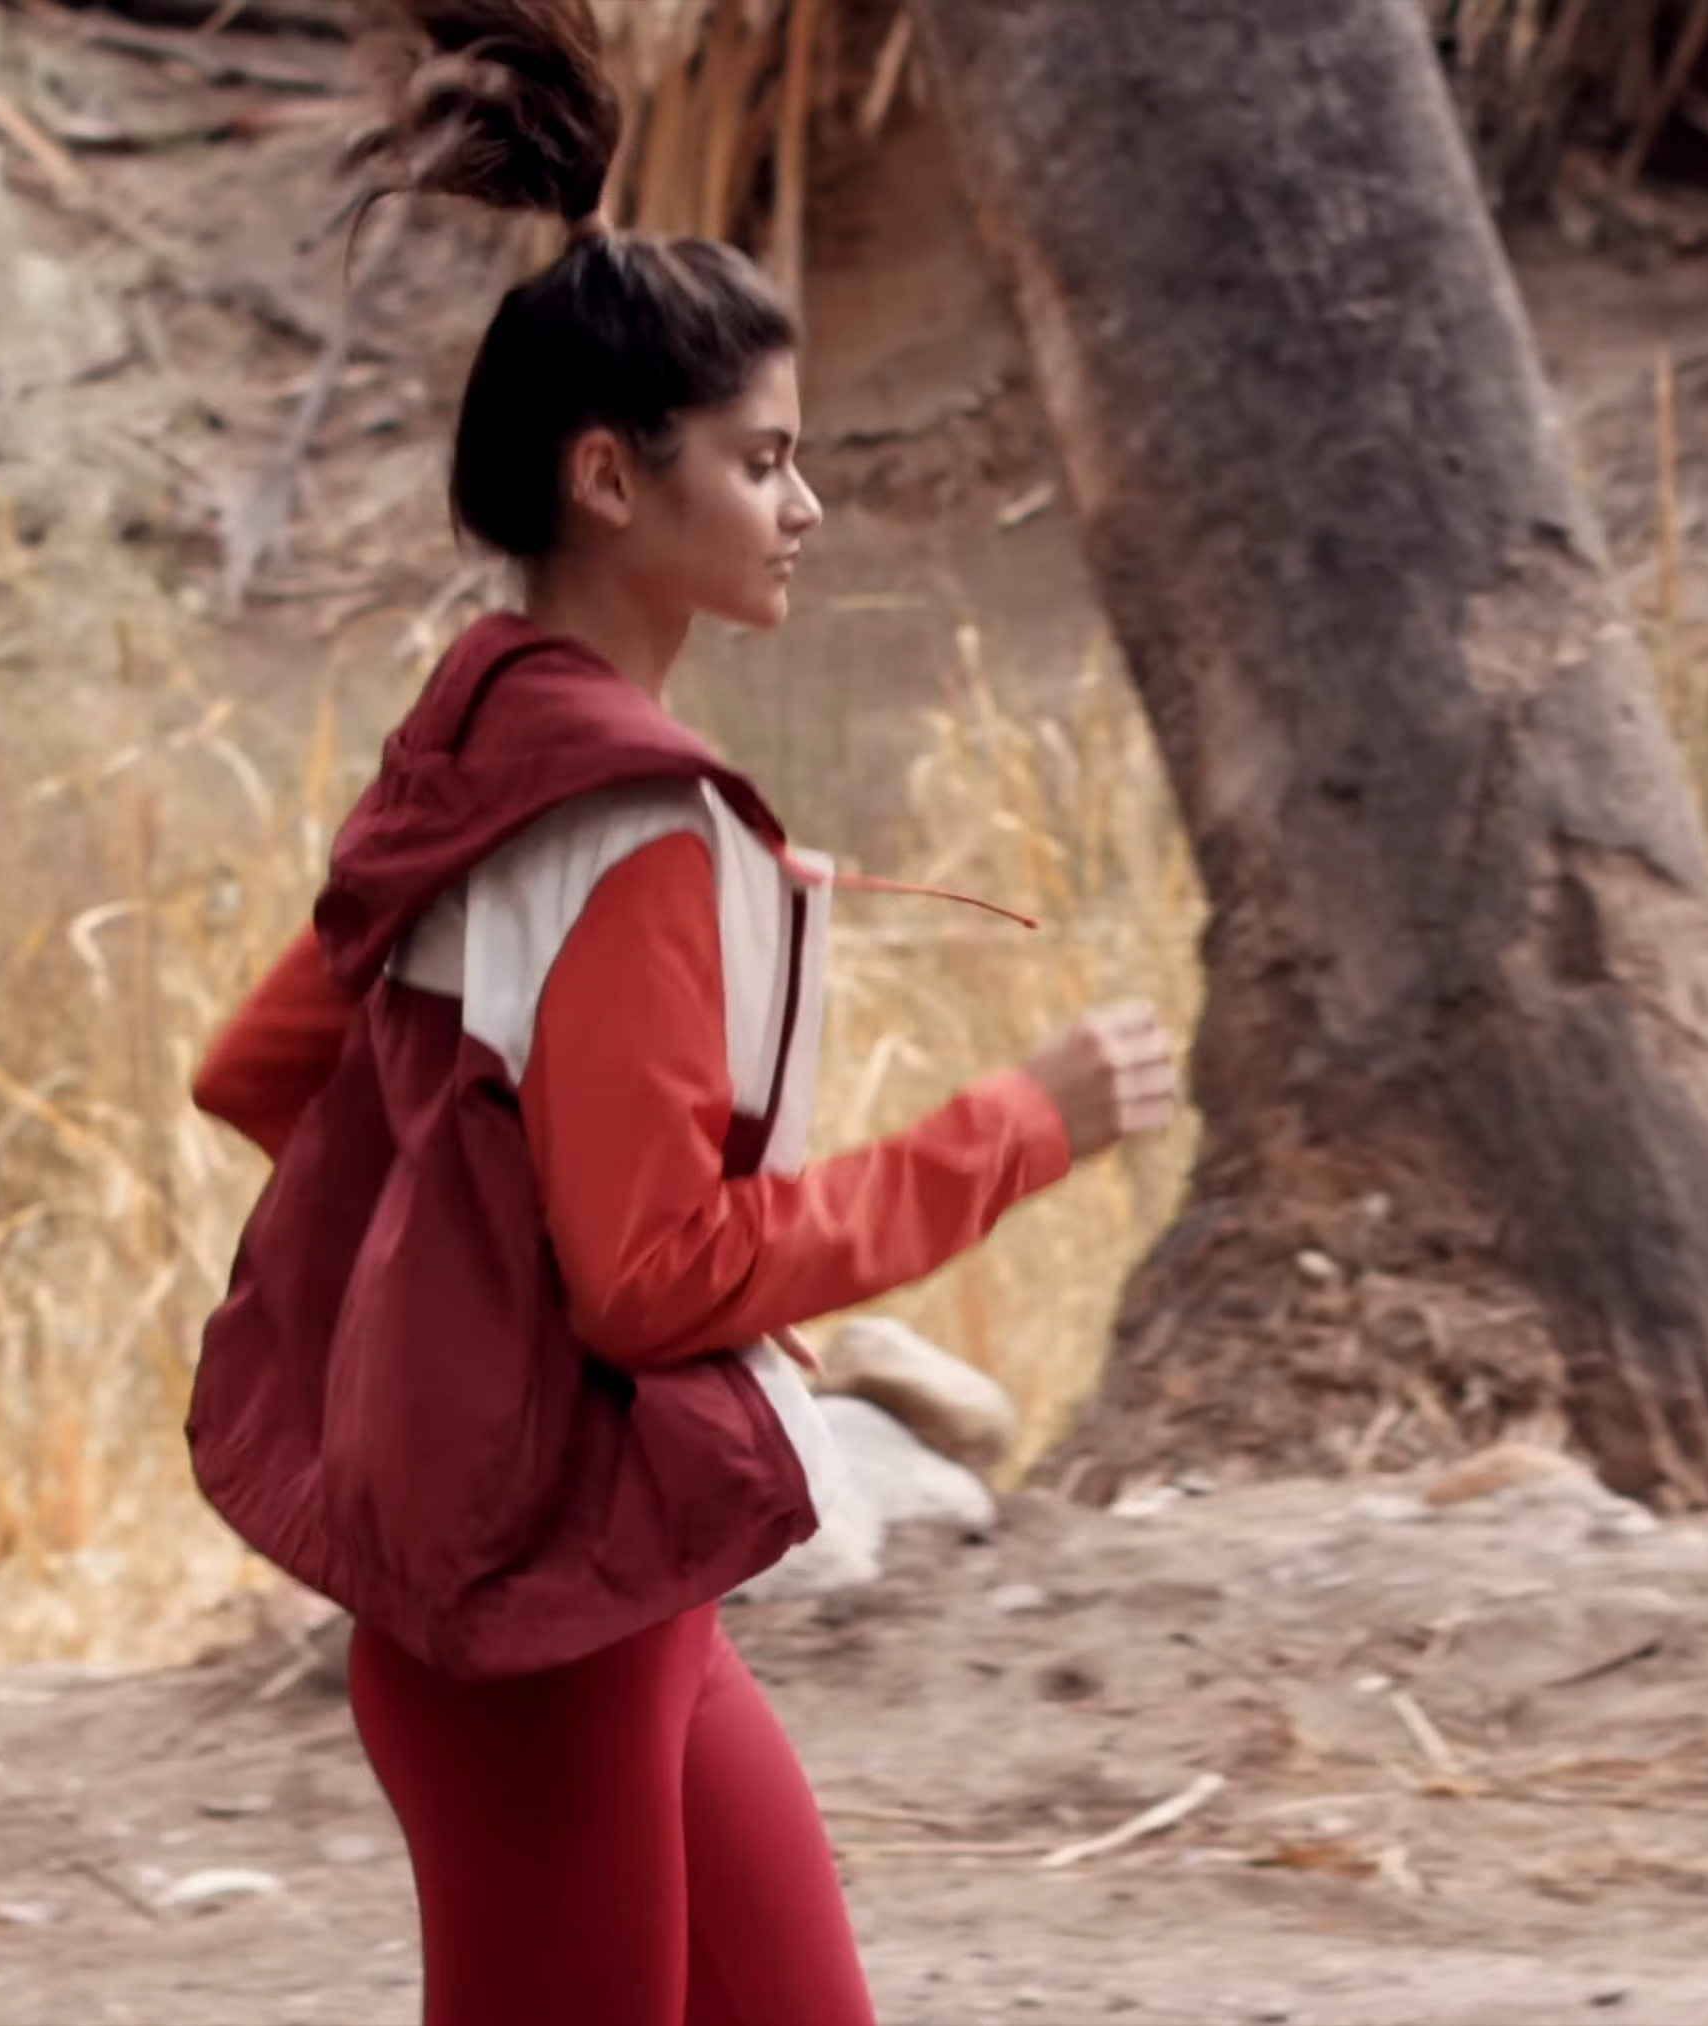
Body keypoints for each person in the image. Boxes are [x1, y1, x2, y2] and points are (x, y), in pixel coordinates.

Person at [181, 5, 1178, 2020]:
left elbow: (269, 1067)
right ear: (610, 478)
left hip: (602, 1598)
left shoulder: (475, 739)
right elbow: (652, 1281)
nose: (805, 507)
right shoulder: (634, 827)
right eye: (764, 460)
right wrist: (1019, 1126)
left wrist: (480, 1255)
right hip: (545, 1643)